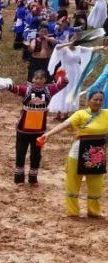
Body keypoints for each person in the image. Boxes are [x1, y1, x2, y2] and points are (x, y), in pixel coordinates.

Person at [39, 90, 108, 218]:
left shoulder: (106, 114)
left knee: (96, 184)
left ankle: (94, 212)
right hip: (78, 152)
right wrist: (48, 134)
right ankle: (73, 212)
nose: (98, 102)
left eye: (100, 100)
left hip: (98, 153)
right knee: (73, 182)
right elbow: (65, 124)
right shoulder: (80, 114)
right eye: (95, 99)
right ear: (88, 101)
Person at [0, 69, 67, 184]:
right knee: (20, 153)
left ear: (45, 80)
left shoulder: (49, 90)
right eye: (36, 78)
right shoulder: (27, 90)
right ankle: (19, 179)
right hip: (23, 129)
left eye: (41, 78)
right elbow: (13, 87)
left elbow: (63, 83)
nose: (38, 80)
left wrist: (62, 75)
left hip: (39, 131)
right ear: (32, 79)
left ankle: (33, 178)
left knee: (36, 155)